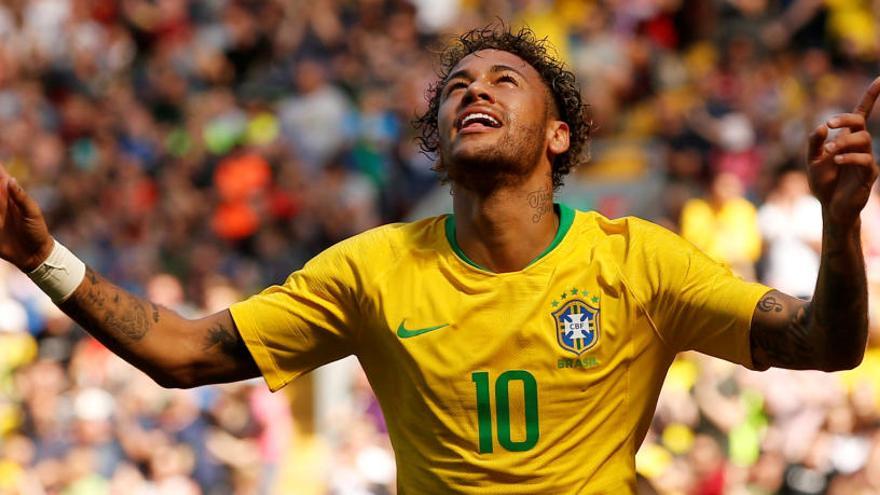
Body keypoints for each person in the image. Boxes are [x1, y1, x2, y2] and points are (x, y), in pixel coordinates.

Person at [0, 26, 876, 493]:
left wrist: (838, 229)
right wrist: (41, 255)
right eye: (458, 86)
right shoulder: (370, 269)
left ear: (559, 132)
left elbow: (826, 344)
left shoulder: (639, 263)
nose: (473, 91)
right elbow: (184, 352)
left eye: (504, 81)